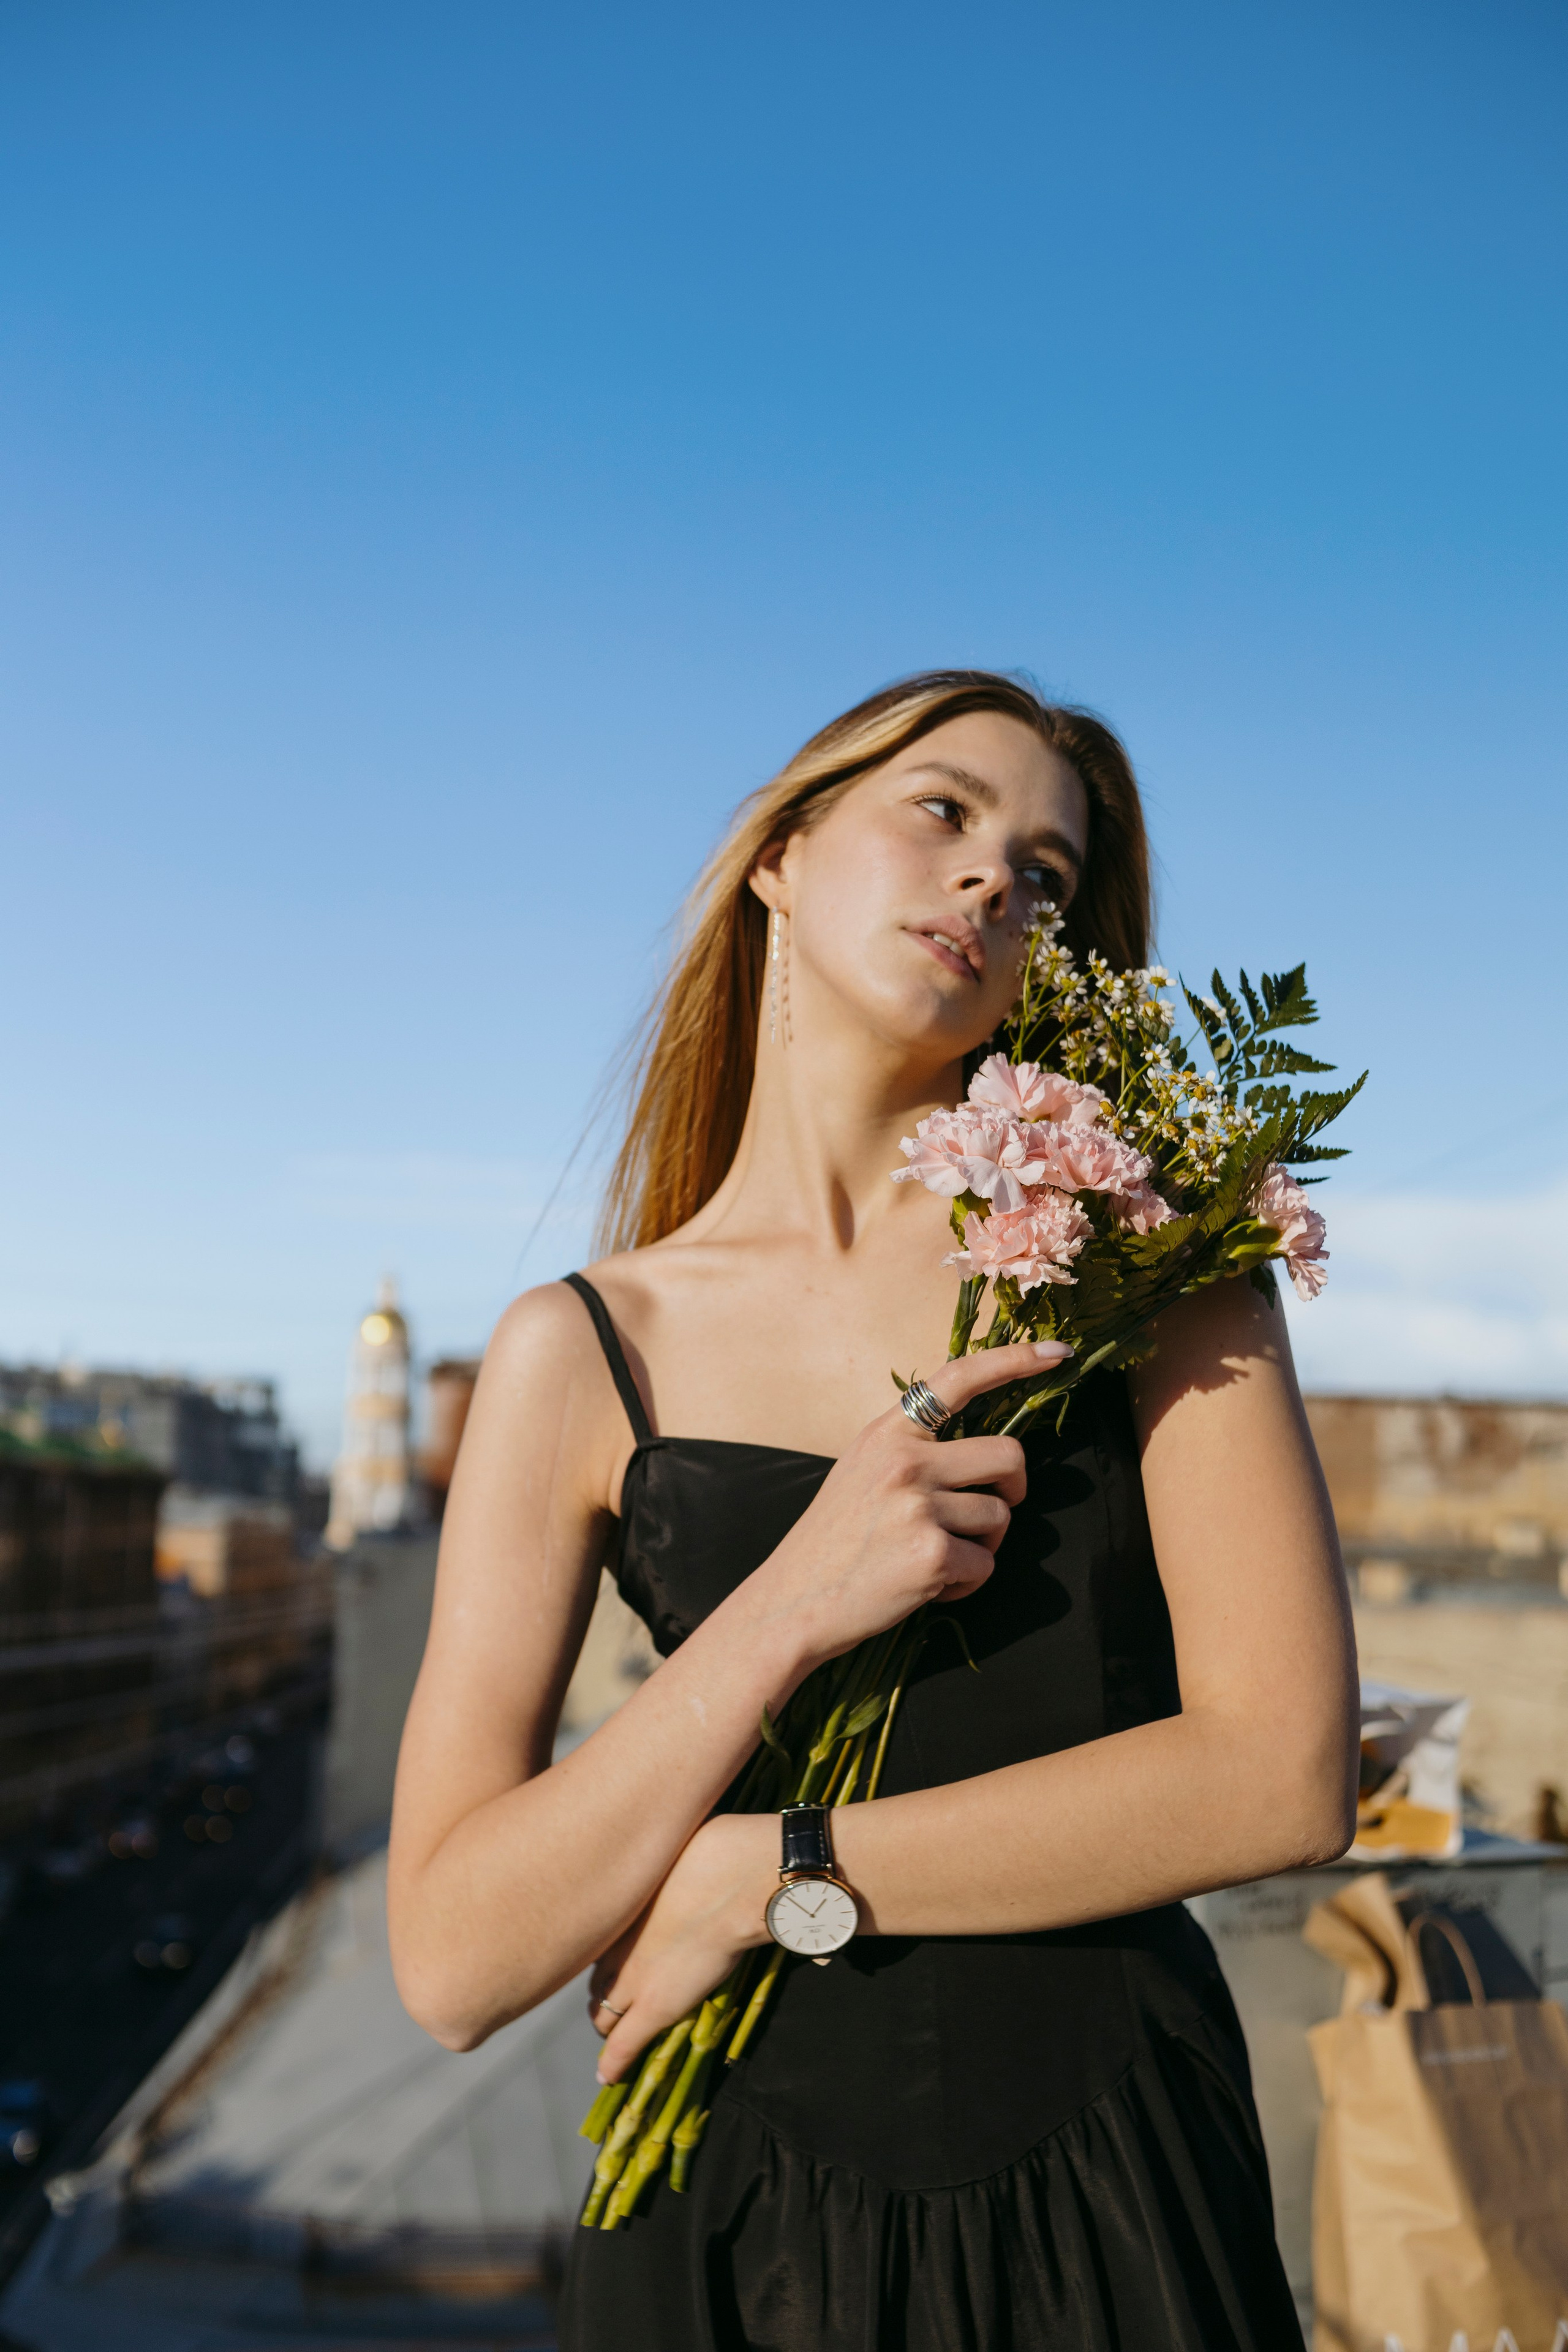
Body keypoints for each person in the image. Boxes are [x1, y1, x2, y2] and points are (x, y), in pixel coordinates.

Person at [387, 669, 1358, 2351]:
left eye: (1047, 876)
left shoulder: (1155, 1257)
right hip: (721, 2221)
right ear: (780, 852)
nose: (996, 879)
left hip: (1111, 2186)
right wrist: (798, 1592)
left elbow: (1281, 1772)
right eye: (945, 811)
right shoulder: (581, 1353)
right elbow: (454, 1958)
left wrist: (768, 1873)